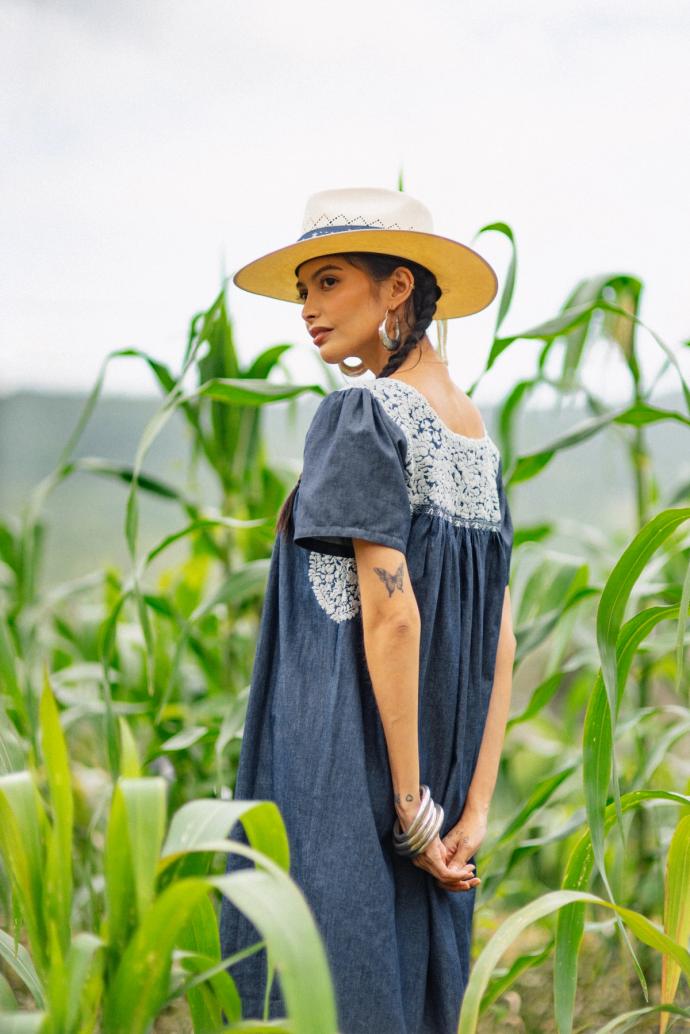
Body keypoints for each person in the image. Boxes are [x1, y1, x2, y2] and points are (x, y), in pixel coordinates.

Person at [219, 186, 516, 1034]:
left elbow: (392, 619)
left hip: (356, 778)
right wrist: (469, 812)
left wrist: (408, 811)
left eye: (331, 281)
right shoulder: (476, 440)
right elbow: (501, 634)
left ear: (397, 289)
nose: (308, 309)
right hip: (439, 789)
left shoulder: (361, 418)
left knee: (331, 990)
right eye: (304, 288)